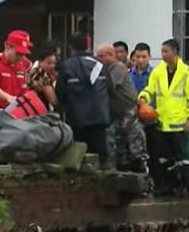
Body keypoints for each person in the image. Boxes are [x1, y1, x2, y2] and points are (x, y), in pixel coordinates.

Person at [139, 38, 189, 197]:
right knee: (163, 159)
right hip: (162, 123)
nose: (162, 55)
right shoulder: (158, 72)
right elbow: (150, 89)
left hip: (180, 124)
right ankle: (167, 185)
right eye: (162, 51)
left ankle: (183, 186)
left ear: (175, 52)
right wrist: (143, 99)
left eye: (165, 51)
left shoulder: (188, 74)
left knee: (182, 159)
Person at [56, 33, 111, 165]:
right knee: (100, 159)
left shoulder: (65, 66)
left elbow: (60, 93)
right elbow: (111, 90)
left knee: (79, 159)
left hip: (76, 120)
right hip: (100, 119)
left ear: (70, 47)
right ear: (88, 46)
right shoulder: (100, 65)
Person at [95, 43, 147, 173]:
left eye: (101, 56)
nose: (98, 59)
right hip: (117, 113)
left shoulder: (118, 68)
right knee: (120, 148)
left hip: (128, 112)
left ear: (111, 55)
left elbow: (108, 87)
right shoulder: (105, 69)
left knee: (135, 147)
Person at [0, 30, 33, 134]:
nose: (21, 57)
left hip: (17, 113)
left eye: (23, 54)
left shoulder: (25, 64)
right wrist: (8, 98)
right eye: (18, 54)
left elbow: (25, 89)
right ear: (8, 47)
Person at [27, 44, 59, 110]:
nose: (52, 66)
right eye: (49, 63)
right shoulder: (41, 74)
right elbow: (52, 99)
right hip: (38, 110)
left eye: (54, 63)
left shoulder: (33, 71)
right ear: (40, 61)